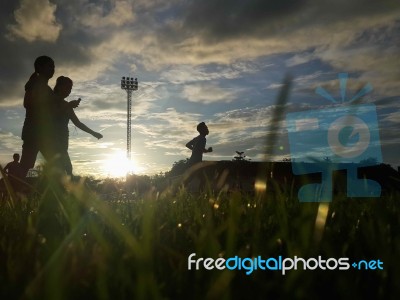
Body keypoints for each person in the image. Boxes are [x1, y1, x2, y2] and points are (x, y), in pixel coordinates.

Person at [19, 56, 80, 177]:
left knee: (56, 165)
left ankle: (51, 191)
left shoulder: (45, 88)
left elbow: (51, 110)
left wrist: (66, 105)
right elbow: (27, 103)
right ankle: (12, 189)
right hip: (33, 131)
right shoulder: (35, 84)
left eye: (53, 67)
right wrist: (66, 105)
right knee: (27, 165)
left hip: (43, 133)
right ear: (39, 67)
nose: (52, 69)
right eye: (49, 66)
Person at [53, 76, 103, 176]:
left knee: (67, 169)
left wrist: (93, 133)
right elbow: (50, 114)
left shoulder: (67, 105)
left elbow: (78, 123)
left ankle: (63, 189)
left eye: (70, 88)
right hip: (51, 139)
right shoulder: (50, 100)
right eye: (67, 87)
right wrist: (68, 106)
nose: (69, 91)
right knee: (61, 169)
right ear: (59, 87)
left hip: (62, 140)